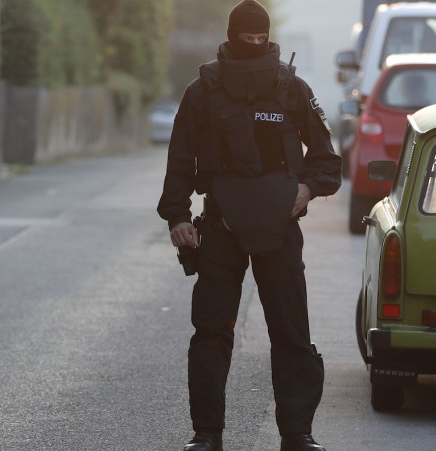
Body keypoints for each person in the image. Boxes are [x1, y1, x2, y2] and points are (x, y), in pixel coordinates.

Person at [156, 1, 341, 450]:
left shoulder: (292, 88)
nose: (254, 46)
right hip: (220, 225)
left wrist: (307, 190)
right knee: (211, 334)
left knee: (291, 332)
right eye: (247, 38)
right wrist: (178, 216)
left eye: (261, 39)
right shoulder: (202, 91)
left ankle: (297, 435)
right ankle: (207, 436)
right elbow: (180, 158)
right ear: (231, 35)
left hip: (280, 225)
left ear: (270, 36)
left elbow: (326, 161)